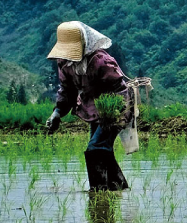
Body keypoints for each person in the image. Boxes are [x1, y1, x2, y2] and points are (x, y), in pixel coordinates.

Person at [45, 21, 132, 191]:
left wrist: (114, 114)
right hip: (93, 110)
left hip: (114, 109)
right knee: (102, 150)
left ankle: (98, 192)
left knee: (96, 148)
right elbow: (67, 89)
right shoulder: (64, 63)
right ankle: (118, 187)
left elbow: (120, 90)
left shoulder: (100, 61)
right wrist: (57, 112)